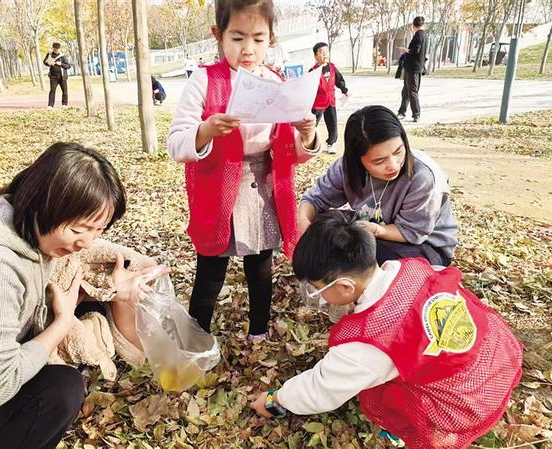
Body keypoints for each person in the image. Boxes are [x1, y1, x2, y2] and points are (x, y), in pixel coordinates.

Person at [251, 210, 523, 449]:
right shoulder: (409, 267)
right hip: (492, 356)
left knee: (379, 393)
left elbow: (321, 389)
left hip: (461, 401)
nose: (315, 295)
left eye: (316, 289)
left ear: (345, 287)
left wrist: (276, 400)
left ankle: (414, 429)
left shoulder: (369, 344)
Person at [0, 142, 166, 449]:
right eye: (80, 229)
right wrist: (61, 325)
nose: (87, 243)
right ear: (42, 204)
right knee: (61, 391)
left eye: (98, 230)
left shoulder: (22, 223)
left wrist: (111, 287)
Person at [167, 0, 320, 339]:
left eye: (258, 39)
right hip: (219, 189)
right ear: (218, 35)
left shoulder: (277, 82)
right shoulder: (205, 80)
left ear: (271, 39)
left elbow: (291, 152)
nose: (248, 49)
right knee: (211, 269)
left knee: (260, 267)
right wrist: (205, 130)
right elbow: (176, 143)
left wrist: (307, 135)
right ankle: (196, 337)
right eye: (237, 38)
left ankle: (258, 332)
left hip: (263, 187)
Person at [299, 105, 458, 267]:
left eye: (398, 152)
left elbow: (413, 232)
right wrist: (304, 223)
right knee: (323, 226)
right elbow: (314, 200)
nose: (393, 165)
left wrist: (375, 230)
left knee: (360, 257)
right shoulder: (346, 167)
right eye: (379, 161)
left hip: (424, 245)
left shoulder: (422, 176)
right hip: (372, 228)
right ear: (357, 159)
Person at [310, 42, 349, 155]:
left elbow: (339, 80)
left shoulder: (332, 67)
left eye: (326, 52)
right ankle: (310, 143)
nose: (325, 54)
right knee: (312, 124)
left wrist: (344, 90)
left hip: (330, 101)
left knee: (333, 124)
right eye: (321, 52)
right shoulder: (313, 71)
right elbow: (308, 88)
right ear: (316, 56)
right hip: (318, 103)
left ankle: (331, 144)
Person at [397, 16, 427, 122]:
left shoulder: (419, 35)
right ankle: (402, 112)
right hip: (414, 67)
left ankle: (416, 114)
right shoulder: (424, 34)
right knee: (406, 90)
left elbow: (415, 50)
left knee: (412, 91)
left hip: (413, 67)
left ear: (414, 25)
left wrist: (405, 50)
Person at [43, 42, 71, 109]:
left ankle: (64, 104)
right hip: (53, 76)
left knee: (64, 91)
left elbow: (68, 66)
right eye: (54, 49)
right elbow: (45, 62)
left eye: (57, 49)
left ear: (59, 49)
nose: (56, 51)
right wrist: (52, 62)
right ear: (53, 48)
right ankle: (50, 105)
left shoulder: (63, 56)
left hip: (62, 76)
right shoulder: (49, 54)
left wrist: (61, 64)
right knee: (52, 91)